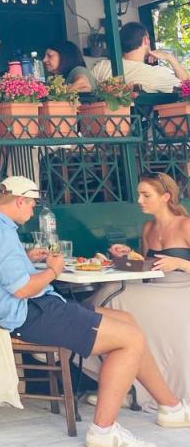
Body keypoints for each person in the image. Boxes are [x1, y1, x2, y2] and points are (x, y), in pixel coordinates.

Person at [0, 175, 190, 447]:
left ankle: (171, 408)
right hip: (30, 313)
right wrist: (53, 270)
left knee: (127, 321)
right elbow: (22, 289)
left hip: (28, 309)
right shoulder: (1, 232)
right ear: (19, 201)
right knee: (130, 339)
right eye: (31, 204)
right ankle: (104, 430)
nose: (32, 210)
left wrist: (25, 258)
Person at [81, 173, 190, 411]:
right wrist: (124, 256)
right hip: (156, 287)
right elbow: (145, 266)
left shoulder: (185, 225)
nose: (139, 200)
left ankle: (72, 333)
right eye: (139, 194)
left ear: (166, 197)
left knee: (115, 294)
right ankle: (121, 384)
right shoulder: (148, 227)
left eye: (146, 195)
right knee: (110, 291)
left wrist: (180, 263)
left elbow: (173, 265)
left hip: (183, 289)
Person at [91, 21, 188, 91]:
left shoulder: (102, 66)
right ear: (146, 40)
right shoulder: (157, 73)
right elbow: (187, 88)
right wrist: (170, 58)